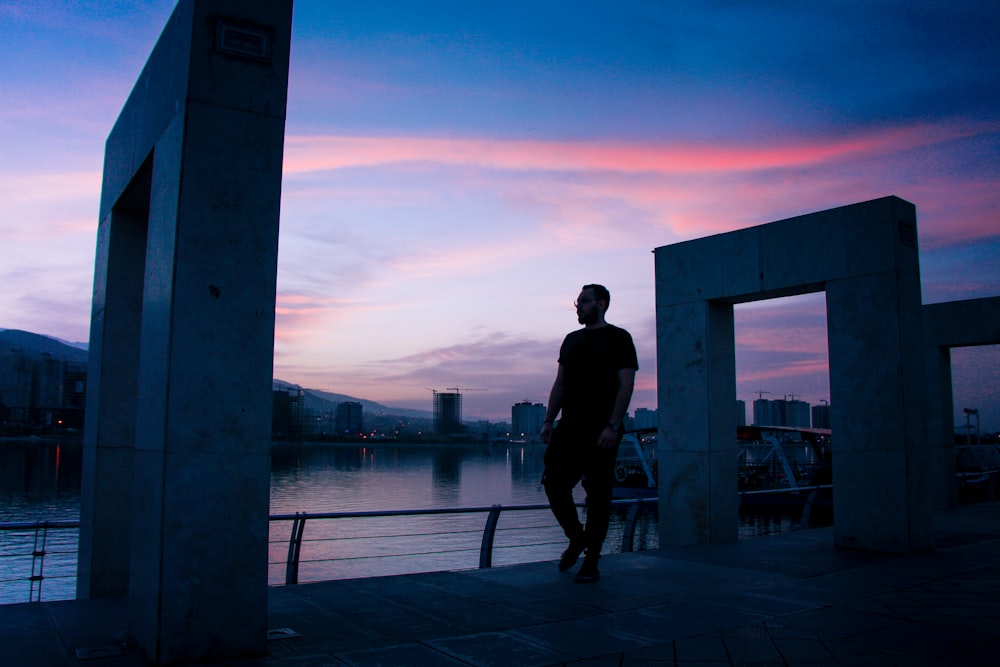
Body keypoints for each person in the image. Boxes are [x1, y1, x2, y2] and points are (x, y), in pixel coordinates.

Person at [540, 284, 638, 583]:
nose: (578, 306)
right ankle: (577, 537)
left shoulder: (619, 338)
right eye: (577, 301)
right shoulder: (571, 341)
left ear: (602, 304)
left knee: (598, 495)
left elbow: (626, 385)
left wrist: (612, 425)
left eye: (583, 301)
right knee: (554, 484)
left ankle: (591, 562)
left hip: (602, 430)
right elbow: (560, 384)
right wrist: (548, 420)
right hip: (569, 426)